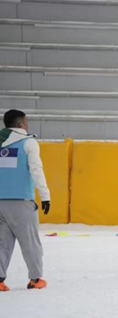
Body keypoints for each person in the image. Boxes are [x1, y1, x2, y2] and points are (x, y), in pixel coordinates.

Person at [0, 109, 50, 292]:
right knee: (30, 242)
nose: (28, 124)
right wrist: (45, 196)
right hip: (22, 201)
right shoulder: (28, 142)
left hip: (0, 201)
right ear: (20, 124)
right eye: (26, 121)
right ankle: (35, 279)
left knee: (2, 243)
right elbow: (36, 169)